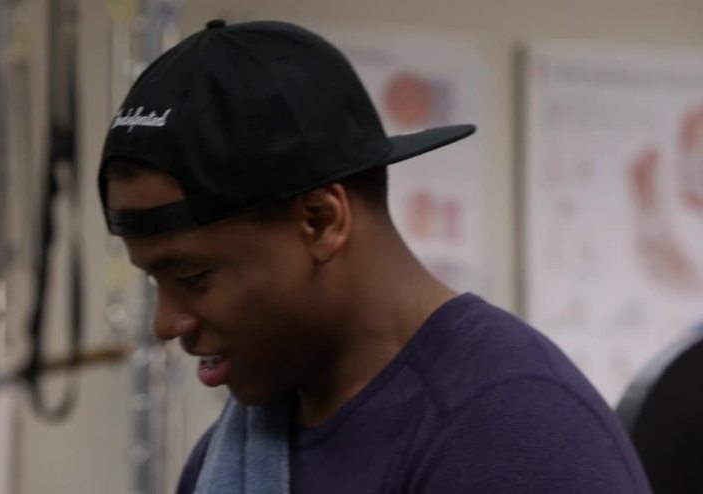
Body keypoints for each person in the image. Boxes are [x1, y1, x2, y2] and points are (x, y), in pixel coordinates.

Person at [98, 19, 651, 494]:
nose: (165, 323)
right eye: (155, 281)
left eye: (193, 277)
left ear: (321, 220)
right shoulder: (236, 454)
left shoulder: (515, 436)